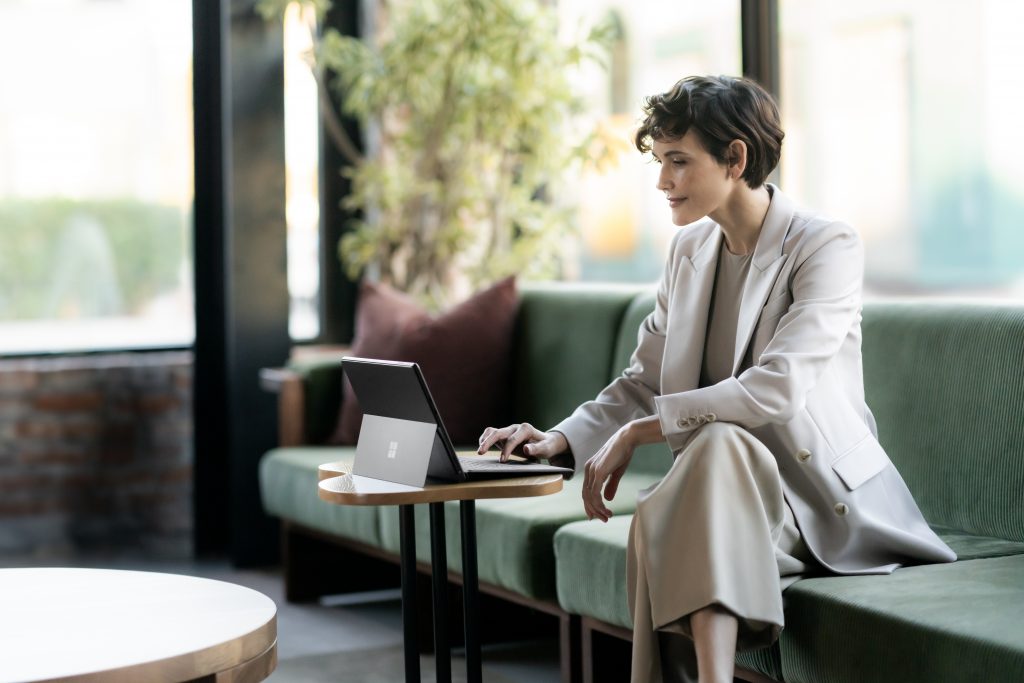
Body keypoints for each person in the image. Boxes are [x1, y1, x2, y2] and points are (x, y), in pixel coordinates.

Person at [477, 75, 955, 683]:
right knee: (699, 477)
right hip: (730, 502)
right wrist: (561, 440)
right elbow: (641, 380)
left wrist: (637, 435)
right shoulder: (689, 252)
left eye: (679, 161)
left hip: (814, 504)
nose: (661, 181)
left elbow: (776, 387)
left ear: (736, 158)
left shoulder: (824, 245)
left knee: (702, 466)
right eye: (659, 161)